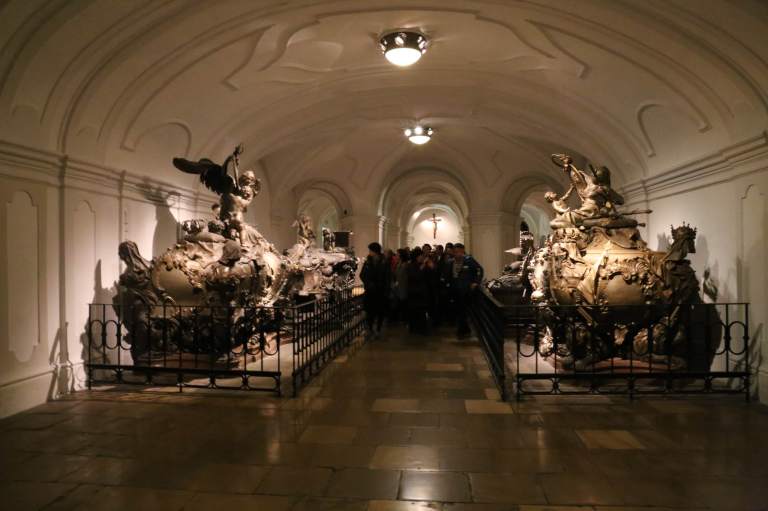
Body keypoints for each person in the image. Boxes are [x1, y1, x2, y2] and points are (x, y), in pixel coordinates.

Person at [452, 243, 484, 338]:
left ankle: (461, 331)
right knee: (459, 311)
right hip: (456, 289)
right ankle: (465, 329)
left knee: (463, 311)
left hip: (465, 290)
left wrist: (476, 282)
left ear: (462, 251)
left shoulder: (469, 260)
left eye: (458, 252)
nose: (456, 254)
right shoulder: (452, 262)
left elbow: (479, 270)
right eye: (455, 252)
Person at [360, 242, 390, 338]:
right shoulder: (368, 262)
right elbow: (362, 274)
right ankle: (370, 329)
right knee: (370, 311)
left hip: (380, 291)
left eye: (370, 250)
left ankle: (378, 329)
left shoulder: (384, 262)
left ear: (375, 251)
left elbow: (387, 276)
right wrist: (368, 283)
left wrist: (385, 288)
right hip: (370, 291)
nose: (369, 252)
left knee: (380, 312)